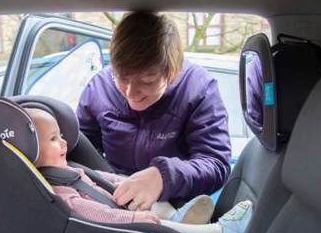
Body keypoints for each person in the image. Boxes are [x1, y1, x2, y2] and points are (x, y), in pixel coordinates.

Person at [27, 108, 252, 233]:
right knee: (155, 223)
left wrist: (128, 181)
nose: (64, 143)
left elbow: (100, 177)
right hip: (123, 226)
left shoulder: (68, 168)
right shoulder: (59, 190)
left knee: (149, 197)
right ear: (32, 150)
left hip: (121, 205)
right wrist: (134, 218)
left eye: (62, 135)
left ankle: (178, 218)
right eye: (54, 139)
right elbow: (94, 213)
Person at [76, 12, 232, 212]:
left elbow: (216, 164)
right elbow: (80, 148)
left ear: (172, 71)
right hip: (112, 197)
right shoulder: (99, 88)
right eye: (122, 78)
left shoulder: (199, 89)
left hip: (174, 203)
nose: (131, 93)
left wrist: (164, 177)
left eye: (147, 81)